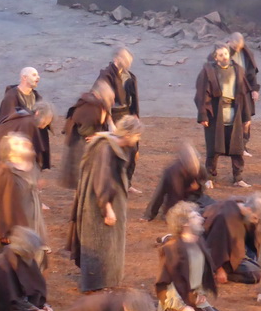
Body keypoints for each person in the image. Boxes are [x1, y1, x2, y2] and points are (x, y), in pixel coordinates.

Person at [67, 115, 142, 293]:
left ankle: (105, 280)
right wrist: (107, 209)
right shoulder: (105, 149)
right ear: (129, 134)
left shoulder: (112, 143)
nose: (138, 139)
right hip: (97, 204)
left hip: (107, 200)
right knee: (98, 242)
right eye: (137, 135)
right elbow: (101, 180)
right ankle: (95, 284)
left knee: (107, 242)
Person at [155, 201, 224, 311]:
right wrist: (182, 307)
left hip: (192, 297)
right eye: (195, 217)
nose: (200, 219)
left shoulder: (198, 242)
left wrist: (202, 291)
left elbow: (202, 271)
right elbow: (165, 283)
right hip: (174, 297)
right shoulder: (171, 248)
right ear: (185, 223)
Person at [0, 133, 48, 256]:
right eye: (18, 144)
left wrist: (38, 201)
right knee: (11, 258)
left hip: (31, 220)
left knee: (33, 256)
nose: (25, 144)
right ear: (10, 152)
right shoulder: (5, 174)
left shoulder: (32, 167)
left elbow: (30, 190)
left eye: (25, 143)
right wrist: (7, 233)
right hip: (12, 227)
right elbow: (1, 206)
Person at [195, 43, 253, 188]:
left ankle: (238, 178)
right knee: (213, 148)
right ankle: (209, 177)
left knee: (237, 148)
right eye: (221, 55)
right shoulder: (208, 72)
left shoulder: (238, 70)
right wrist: (204, 116)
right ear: (215, 57)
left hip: (235, 113)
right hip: (216, 114)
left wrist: (246, 117)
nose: (224, 57)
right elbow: (202, 95)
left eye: (226, 54)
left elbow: (244, 95)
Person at [0, 226, 54, 311]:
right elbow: (10, 300)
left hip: (27, 306)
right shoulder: (0, 266)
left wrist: (44, 306)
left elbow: (35, 288)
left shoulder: (26, 259)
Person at [0, 67, 53, 173]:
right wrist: (30, 116)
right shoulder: (11, 96)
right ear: (24, 77)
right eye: (34, 75)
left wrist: (44, 115)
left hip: (31, 138)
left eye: (37, 75)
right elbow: (7, 118)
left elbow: (43, 113)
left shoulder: (36, 96)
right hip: (16, 142)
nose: (38, 77)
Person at [97, 47, 141, 188]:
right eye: (125, 59)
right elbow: (103, 100)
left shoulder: (129, 76)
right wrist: (110, 123)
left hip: (127, 114)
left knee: (133, 149)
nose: (128, 63)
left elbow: (133, 99)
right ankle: (115, 183)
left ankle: (127, 183)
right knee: (116, 150)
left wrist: (135, 116)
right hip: (113, 116)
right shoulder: (106, 76)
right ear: (117, 59)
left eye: (129, 60)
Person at [60, 81, 115, 189]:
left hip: (88, 143)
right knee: (83, 178)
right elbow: (86, 133)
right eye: (111, 99)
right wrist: (101, 135)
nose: (112, 102)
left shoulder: (99, 105)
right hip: (81, 144)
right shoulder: (90, 108)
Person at [143, 143, 212, 222]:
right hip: (176, 204)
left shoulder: (200, 168)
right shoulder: (171, 171)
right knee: (192, 214)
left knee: (213, 207)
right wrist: (148, 215)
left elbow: (203, 183)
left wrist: (199, 186)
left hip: (195, 199)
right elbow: (159, 194)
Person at [202, 197, 261, 284]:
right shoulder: (224, 218)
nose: (256, 221)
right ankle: (215, 273)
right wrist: (219, 269)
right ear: (249, 209)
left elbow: (252, 239)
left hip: (236, 254)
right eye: (255, 218)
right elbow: (214, 245)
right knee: (258, 274)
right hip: (220, 259)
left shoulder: (241, 209)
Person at [228, 33, 260, 153]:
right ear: (229, 42)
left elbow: (252, 74)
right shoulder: (222, 53)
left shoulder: (246, 54)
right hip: (229, 93)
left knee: (246, 121)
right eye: (235, 47)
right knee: (229, 121)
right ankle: (229, 146)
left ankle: (242, 146)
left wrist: (255, 89)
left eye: (239, 47)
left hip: (245, 91)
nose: (237, 50)